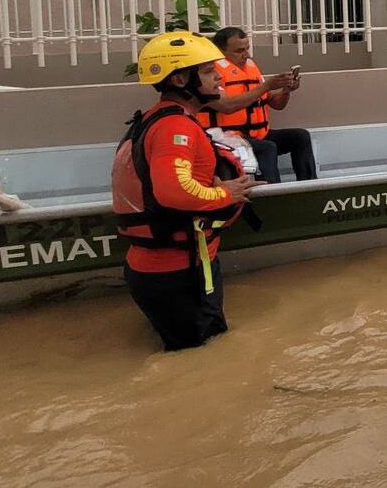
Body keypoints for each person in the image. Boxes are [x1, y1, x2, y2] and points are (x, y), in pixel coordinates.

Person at [112, 31, 263, 350]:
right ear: (181, 80)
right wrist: (227, 194)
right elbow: (173, 193)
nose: (219, 77)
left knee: (193, 360)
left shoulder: (155, 120)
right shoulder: (175, 128)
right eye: (208, 72)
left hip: (167, 266)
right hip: (177, 270)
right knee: (202, 360)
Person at [199, 27, 317, 183]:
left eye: (247, 48)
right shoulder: (210, 74)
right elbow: (227, 106)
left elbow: (275, 104)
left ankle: (310, 186)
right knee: (267, 148)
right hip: (225, 138)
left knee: (300, 137)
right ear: (220, 51)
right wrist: (267, 86)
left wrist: (286, 91)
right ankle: (272, 197)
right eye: (239, 51)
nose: (246, 54)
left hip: (256, 135)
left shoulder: (250, 67)